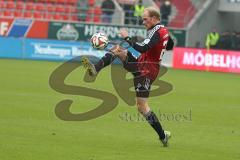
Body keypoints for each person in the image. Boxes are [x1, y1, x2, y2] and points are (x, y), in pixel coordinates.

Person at [82, 7, 174, 147]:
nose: (143, 22)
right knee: (117, 49)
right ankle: (96, 68)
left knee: (142, 107)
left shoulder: (156, 31)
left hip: (147, 69)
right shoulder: (163, 31)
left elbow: (143, 48)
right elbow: (170, 45)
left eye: (145, 19)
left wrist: (127, 38)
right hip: (143, 65)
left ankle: (163, 136)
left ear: (154, 18)